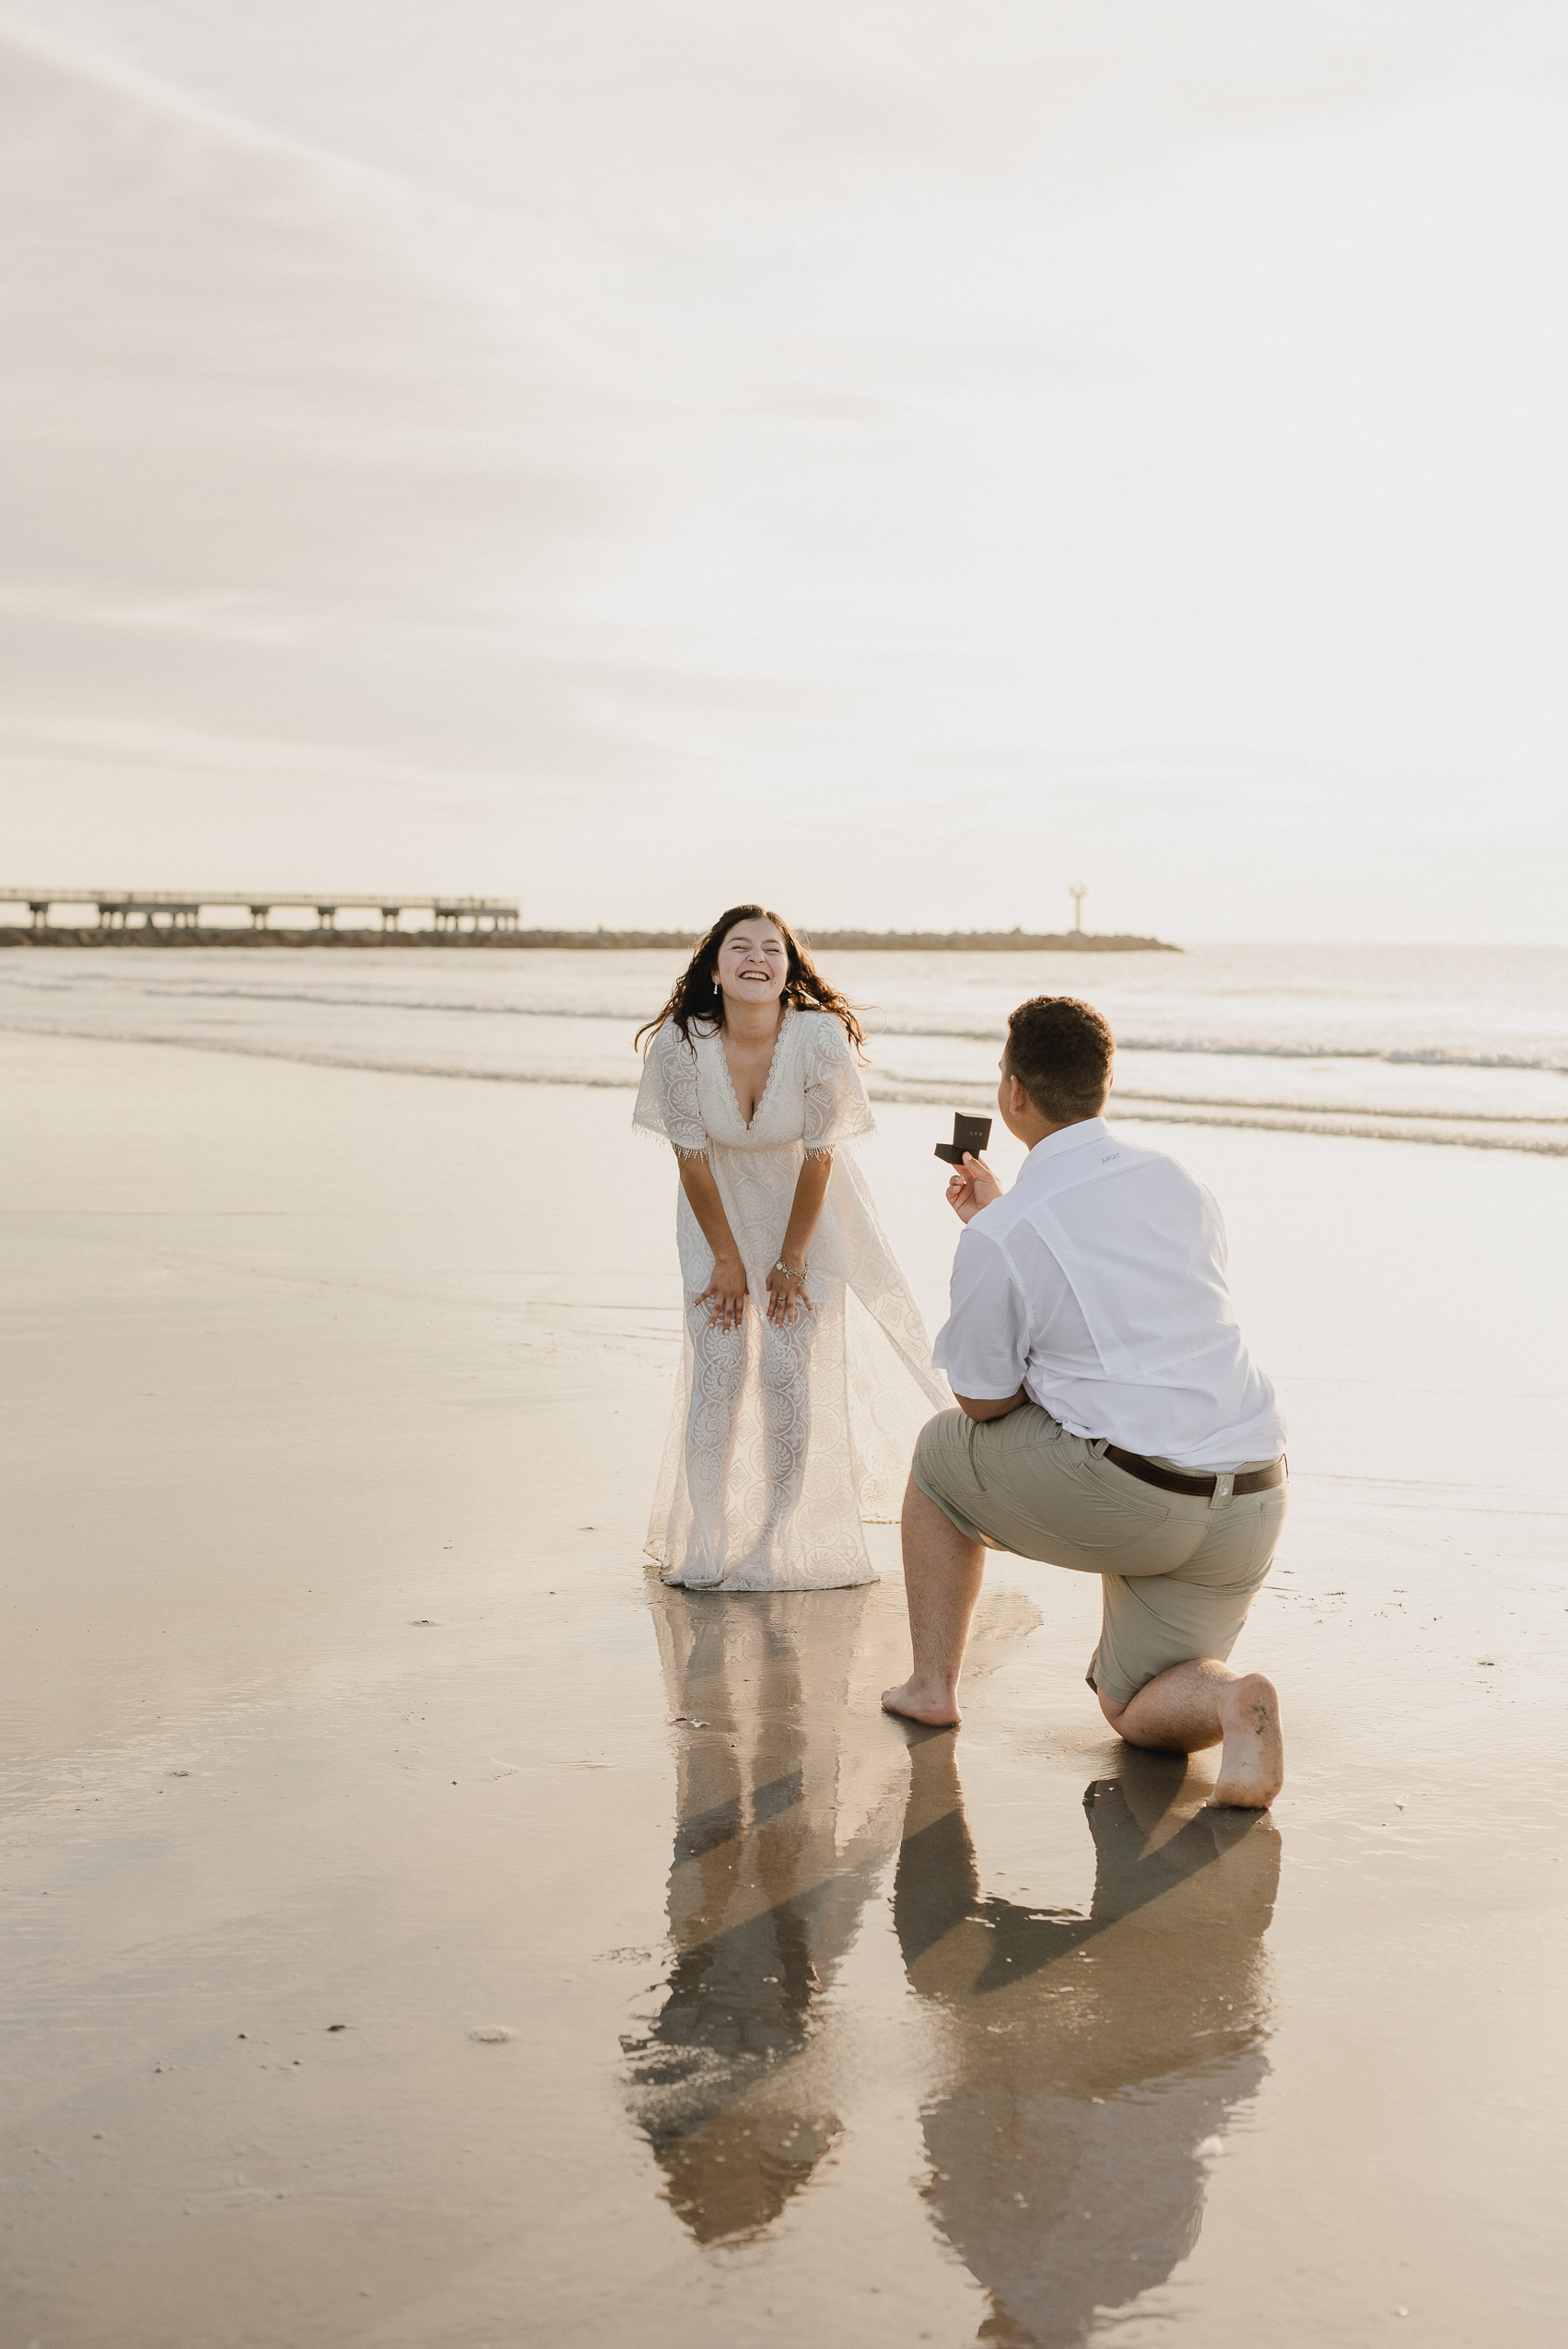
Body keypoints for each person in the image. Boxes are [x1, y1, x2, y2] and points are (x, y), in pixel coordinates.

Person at [882, 995, 1289, 1807]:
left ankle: (933, 1685)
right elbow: (1145, 1308)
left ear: (1014, 1094)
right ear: (1104, 1083)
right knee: (1131, 1707)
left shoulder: (1003, 1235)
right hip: (1249, 1488)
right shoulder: (1178, 1181)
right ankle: (1228, 1703)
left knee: (937, 1453)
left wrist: (997, 1232)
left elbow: (984, 1402)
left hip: (1136, 1494)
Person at [635, 904, 946, 1591]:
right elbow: (690, 1160)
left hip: (808, 1215)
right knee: (718, 1365)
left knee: (785, 1368)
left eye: (771, 949)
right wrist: (726, 1259)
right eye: (739, 948)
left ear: (788, 968)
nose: (756, 958)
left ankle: (778, 1533)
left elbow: (819, 1157)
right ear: (714, 971)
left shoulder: (820, 1038)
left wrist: (790, 1259)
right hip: (714, 1209)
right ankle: (710, 1538)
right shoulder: (681, 1044)